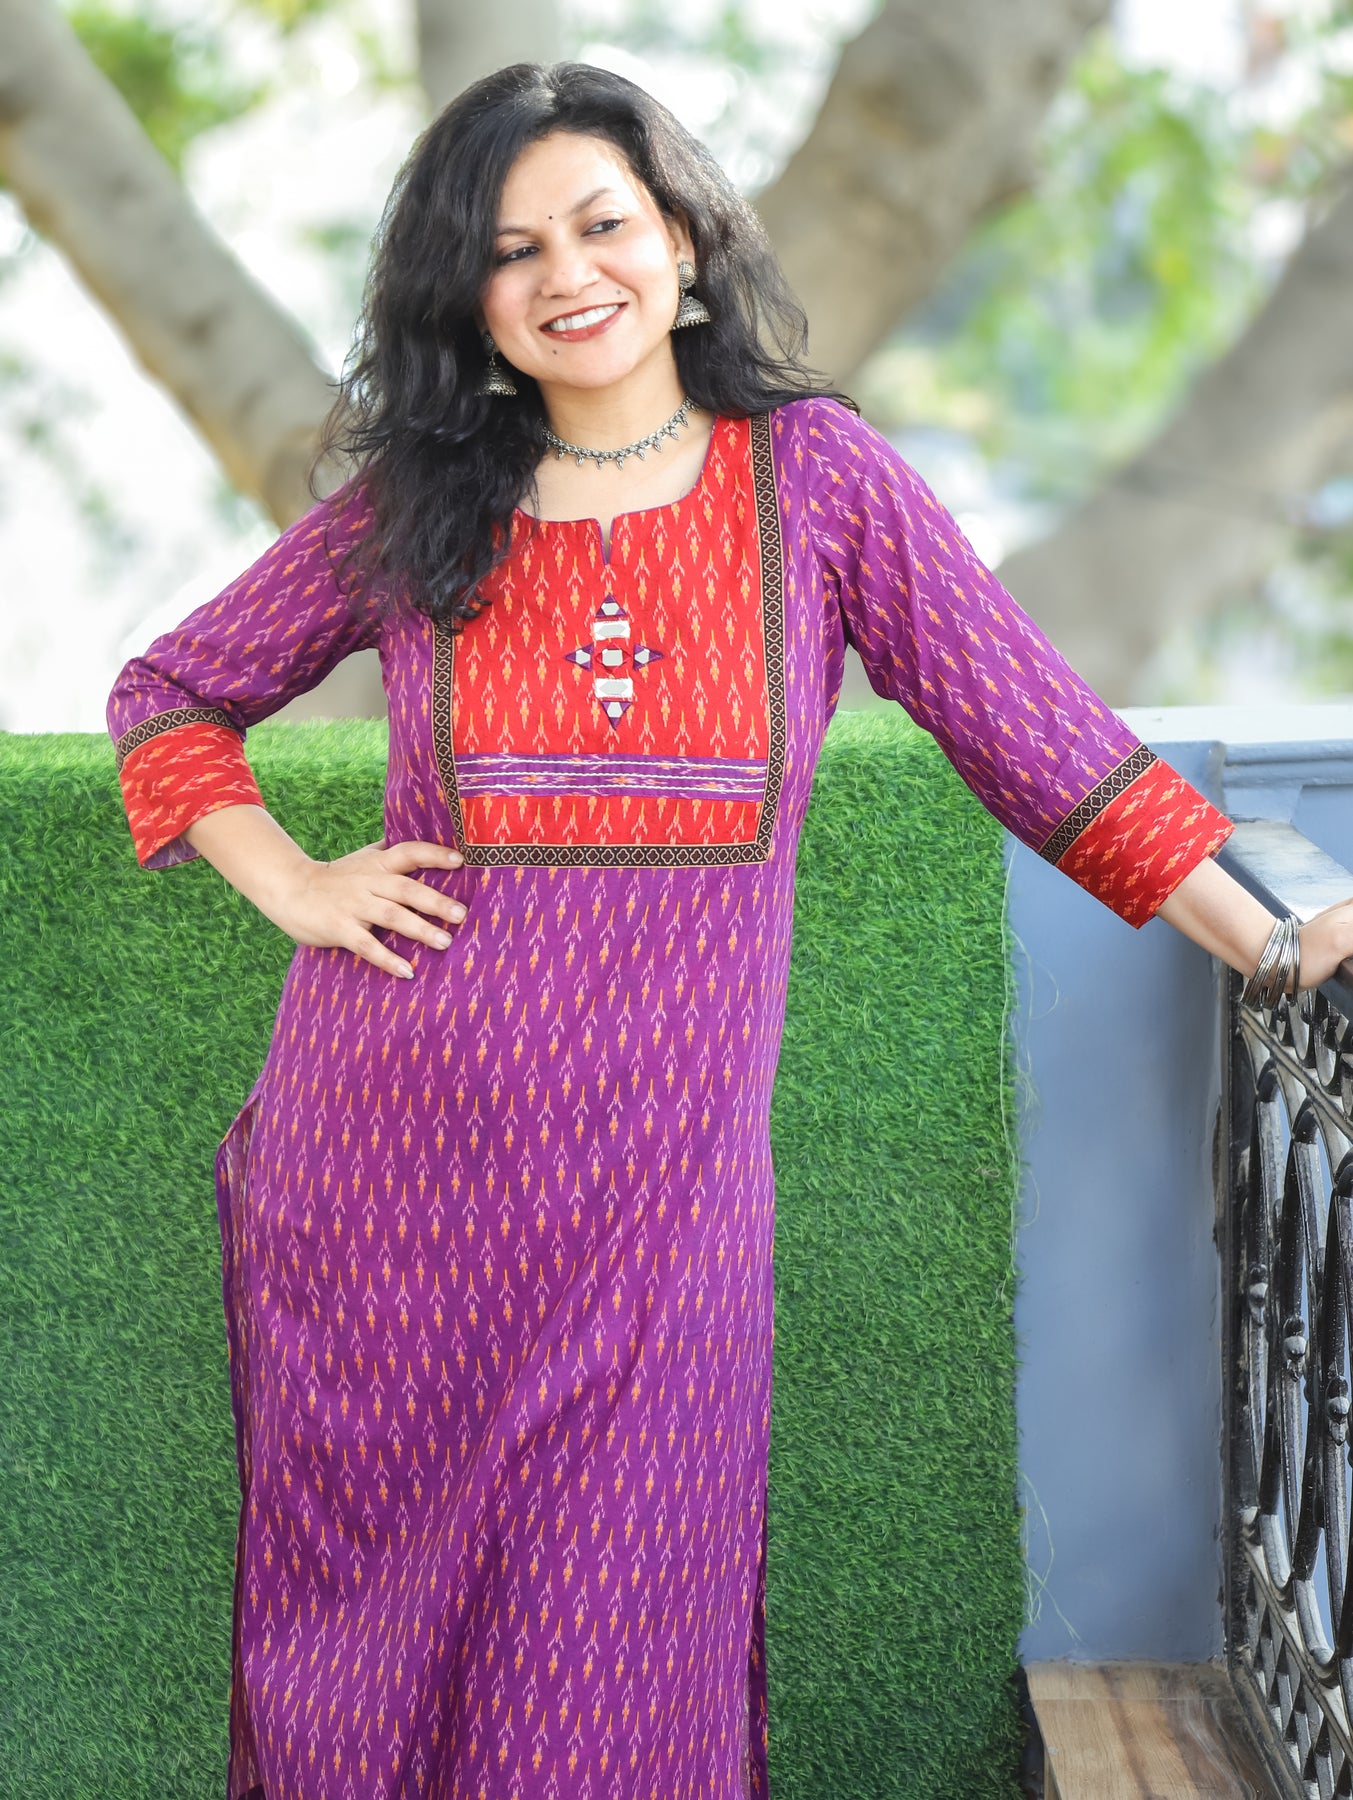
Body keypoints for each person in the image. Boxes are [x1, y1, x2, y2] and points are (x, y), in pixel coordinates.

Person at [106, 60, 1353, 1800]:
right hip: (386, 1183)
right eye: (511, 250)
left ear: (683, 242)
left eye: (601, 224)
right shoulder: (418, 504)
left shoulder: (816, 481)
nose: (566, 273)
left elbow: (1040, 743)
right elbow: (169, 695)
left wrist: (1275, 943)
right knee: (370, 1645)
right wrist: (295, 882)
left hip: (659, 1212)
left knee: (616, 1648)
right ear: (468, 297)